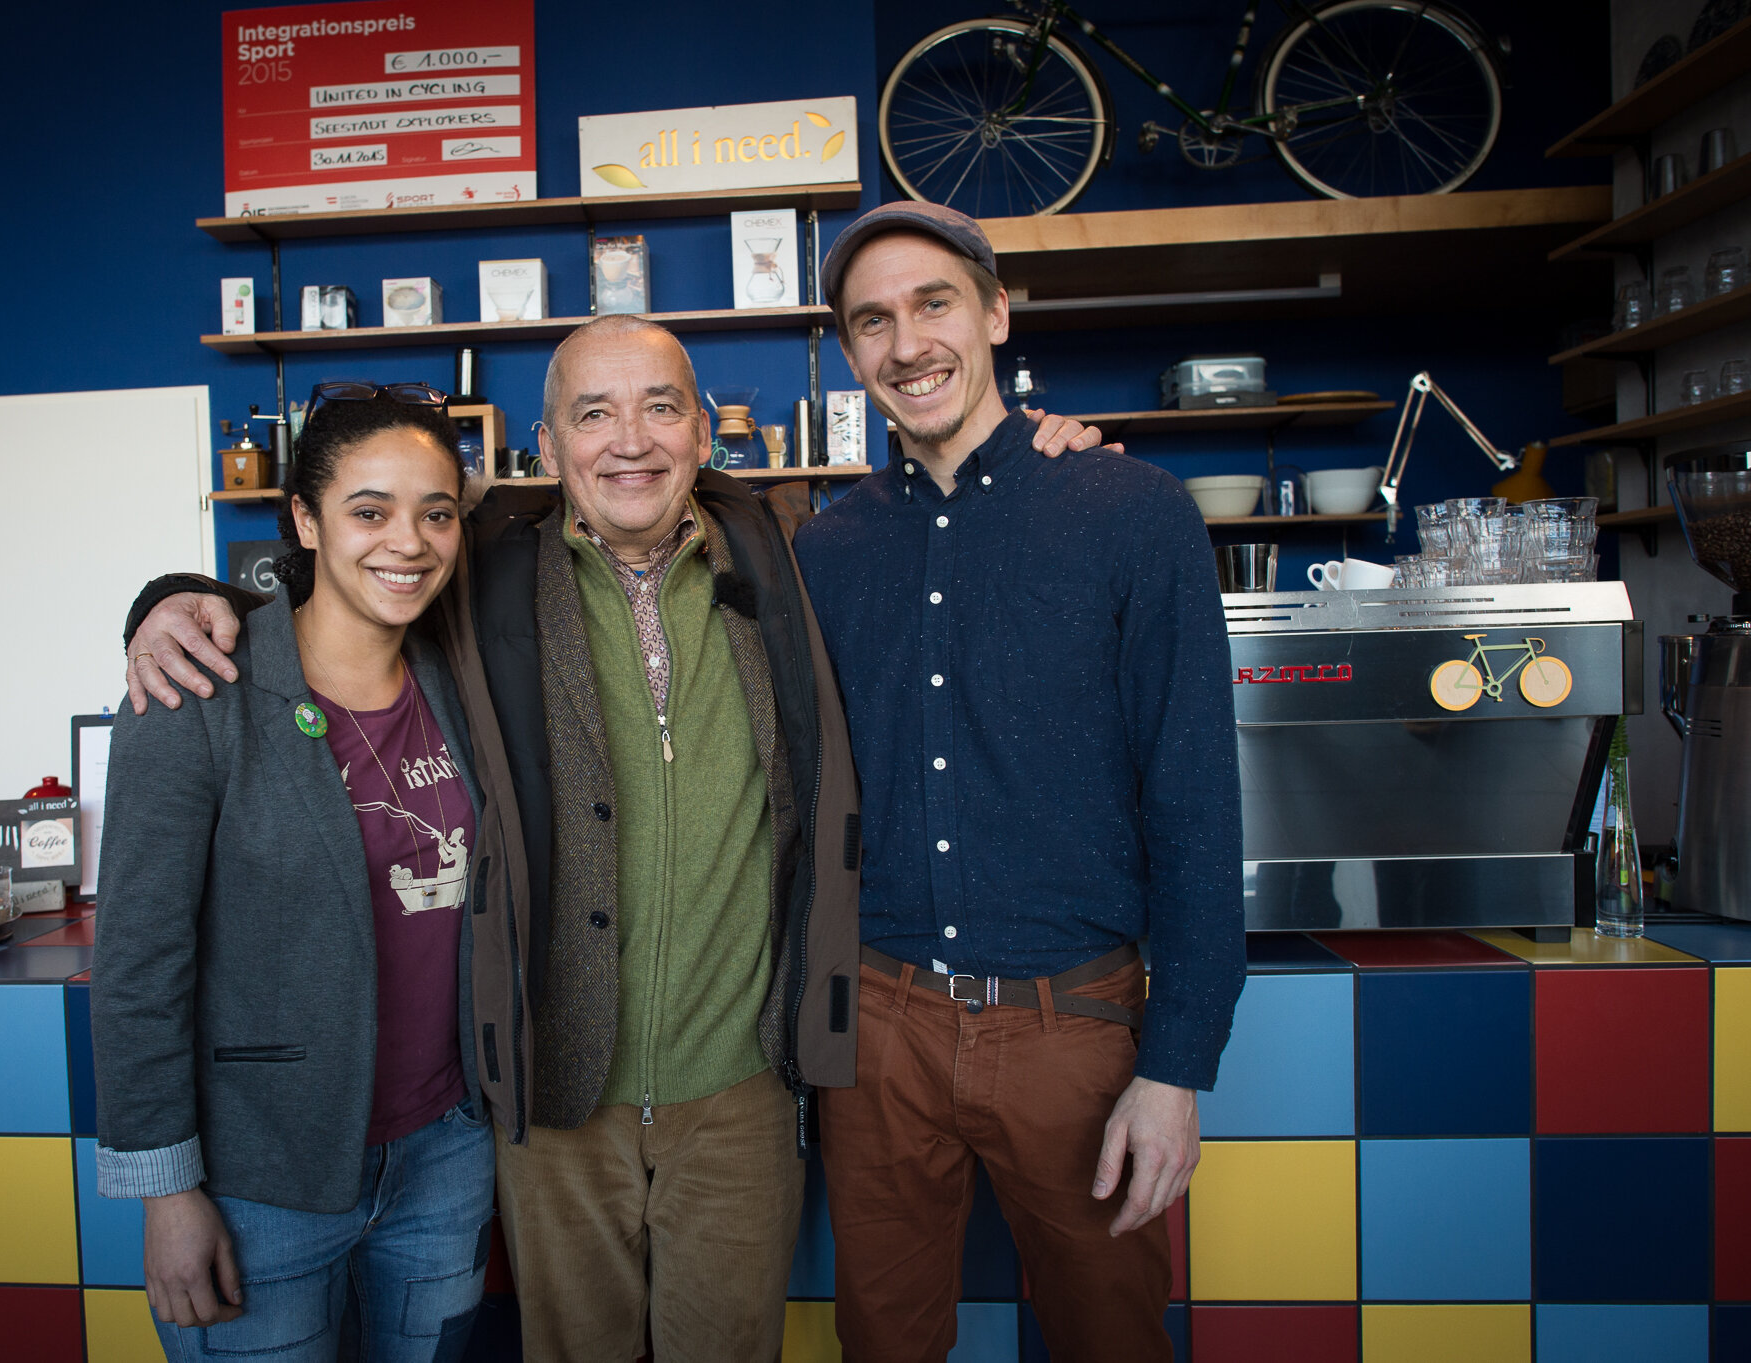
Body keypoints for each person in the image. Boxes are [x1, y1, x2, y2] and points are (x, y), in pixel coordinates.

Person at [119, 318, 1110, 1363]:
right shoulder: (480, 573)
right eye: (593, 413)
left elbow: (937, 536)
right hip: (552, 1096)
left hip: (740, 1089)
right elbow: (346, 590)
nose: (629, 439)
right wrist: (179, 603)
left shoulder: (787, 553)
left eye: (660, 407)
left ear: (702, 435)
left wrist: (1041, 462)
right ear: (547, 449)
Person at [793, 201, 1246, 1362]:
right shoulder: (824, 550)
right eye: (871, 321)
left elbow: (1195, 801)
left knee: (1111, 1339)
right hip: (878, 1032)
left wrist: (1175, 1067)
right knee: (882, 1345)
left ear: (994, 313)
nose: (906, 344)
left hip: (1072, 1028)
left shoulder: (1131, 514)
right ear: (847, 351)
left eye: (933, 304)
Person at [90, 384, 531, 1363]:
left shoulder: (456, 679)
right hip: (261, 1179)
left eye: (436, 513)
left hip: (445, 1155)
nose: (408, 542)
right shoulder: (198, 689)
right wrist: (167, 1193)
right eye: (369, 510)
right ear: (304, 518)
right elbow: (137, 965)